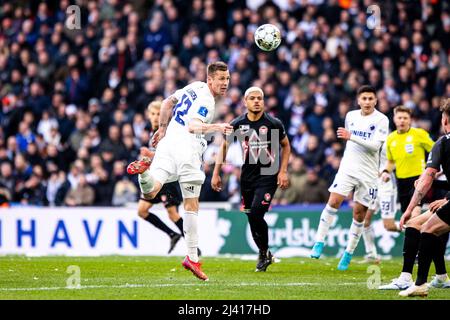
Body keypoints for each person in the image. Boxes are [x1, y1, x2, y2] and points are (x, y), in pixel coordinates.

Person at [127, 61, 233, 281]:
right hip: (188, 149)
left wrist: (163, 128)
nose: (225, 83)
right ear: (210, 79)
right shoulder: (207, 100)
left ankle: (143, 173)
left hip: (167, 143)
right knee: (191, 205)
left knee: (151, 190)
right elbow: (193, 126)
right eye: (221, 79)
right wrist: (218, 127)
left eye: (228, 79)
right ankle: (192, 258)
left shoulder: (194, 86)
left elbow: (167, 102)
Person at [310, 85, 389, 271]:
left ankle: (348, 253)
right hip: (348, 168)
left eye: (371, 99)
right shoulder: (351, 116)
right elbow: (350, 142)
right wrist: (350, 137)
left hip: (369, 173)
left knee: (359, 214)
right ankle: (319, 241)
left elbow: (375, 146)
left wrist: (351, 136)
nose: (367, 102)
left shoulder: (382, 119)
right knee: (334, 200)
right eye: (364, 98)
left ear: (376, 101)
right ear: (358, 100)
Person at [211, 86, 291, 272]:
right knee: (251, 216)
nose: (256, 101)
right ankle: (265, 254)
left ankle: (263, 253)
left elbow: (286, 146)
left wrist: (283, 171)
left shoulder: (274, 123)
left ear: (264, 102)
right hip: (247, 177)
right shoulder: (238, 124)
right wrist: (216, 173)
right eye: (252, 98)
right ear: (245, 102)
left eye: (260, 98)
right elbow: (223, 147)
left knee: (256, 213)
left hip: (268, 175)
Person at [377, 105, 436, 289]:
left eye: (405, 118)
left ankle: (412, 264)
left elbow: (436, 151)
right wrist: (386, 171)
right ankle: (422, 247)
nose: (402, 120)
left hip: (418, 182)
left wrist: (428, 171)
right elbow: (392, 160)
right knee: (409, 222)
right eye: (399, 118)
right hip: (402, 183)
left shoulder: (419, 134)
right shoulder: (391, 139)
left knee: (413, 217)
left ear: (410, 120)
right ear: (394, 119)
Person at [399, 99, 450, 297]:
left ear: (445, 121)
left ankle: (420, 283)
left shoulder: (443, 143)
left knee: (428, 229)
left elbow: (427, 176)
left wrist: (410, 208)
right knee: (418, 225)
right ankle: (440, 276)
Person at [135, 101, 185, 254]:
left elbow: (171, 155)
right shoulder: (152, 133)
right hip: (156, 177)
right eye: (153, 114)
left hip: (168, 179)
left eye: (159, 114)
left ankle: (193, 247)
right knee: (142, 210)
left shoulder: (168, 132)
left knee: (172, 214)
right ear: (148, 115)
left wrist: (150, 155)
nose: (156, 117)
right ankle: (172, 234)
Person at [359, 141, 398, 264]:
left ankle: (417, 228)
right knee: (365, 219)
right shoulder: (365, 141)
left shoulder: (389, 142)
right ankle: (371, 254)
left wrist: (386, 171)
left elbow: (396, 161)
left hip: (387, 186)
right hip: (373, 185)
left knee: (389, 226)